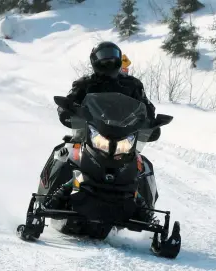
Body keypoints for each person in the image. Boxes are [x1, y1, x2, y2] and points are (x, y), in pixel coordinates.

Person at [45, 41, 159, 223]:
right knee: (65, 153)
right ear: (95, 61)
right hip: (88, 136)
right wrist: (67, 111)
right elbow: (69, 100)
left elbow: (147, 108)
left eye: (112, 57)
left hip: (123, 138)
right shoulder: (84, 84)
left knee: (143, 166)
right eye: (104, 58)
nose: (108, 62)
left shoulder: (132, 85)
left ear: (118, 60)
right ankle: (47, 200)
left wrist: (152, 124)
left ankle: (146, 212)